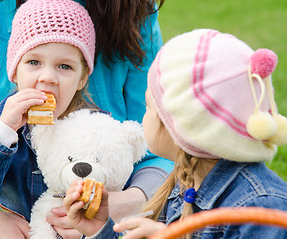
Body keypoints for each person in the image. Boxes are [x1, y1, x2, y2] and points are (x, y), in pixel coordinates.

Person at [0, 0, 172, 238]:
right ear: (13, 68)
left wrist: (117, 210)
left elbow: (162, 147)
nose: (48, 77)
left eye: (65, 66)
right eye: (33, 62)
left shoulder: (98, 127)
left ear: (83, 76)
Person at [64, 28, 287, 239]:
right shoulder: (185, 182)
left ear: (178, 127)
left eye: (149, 106)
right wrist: (100, 230)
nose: (143, 116)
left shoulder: (260, 208)